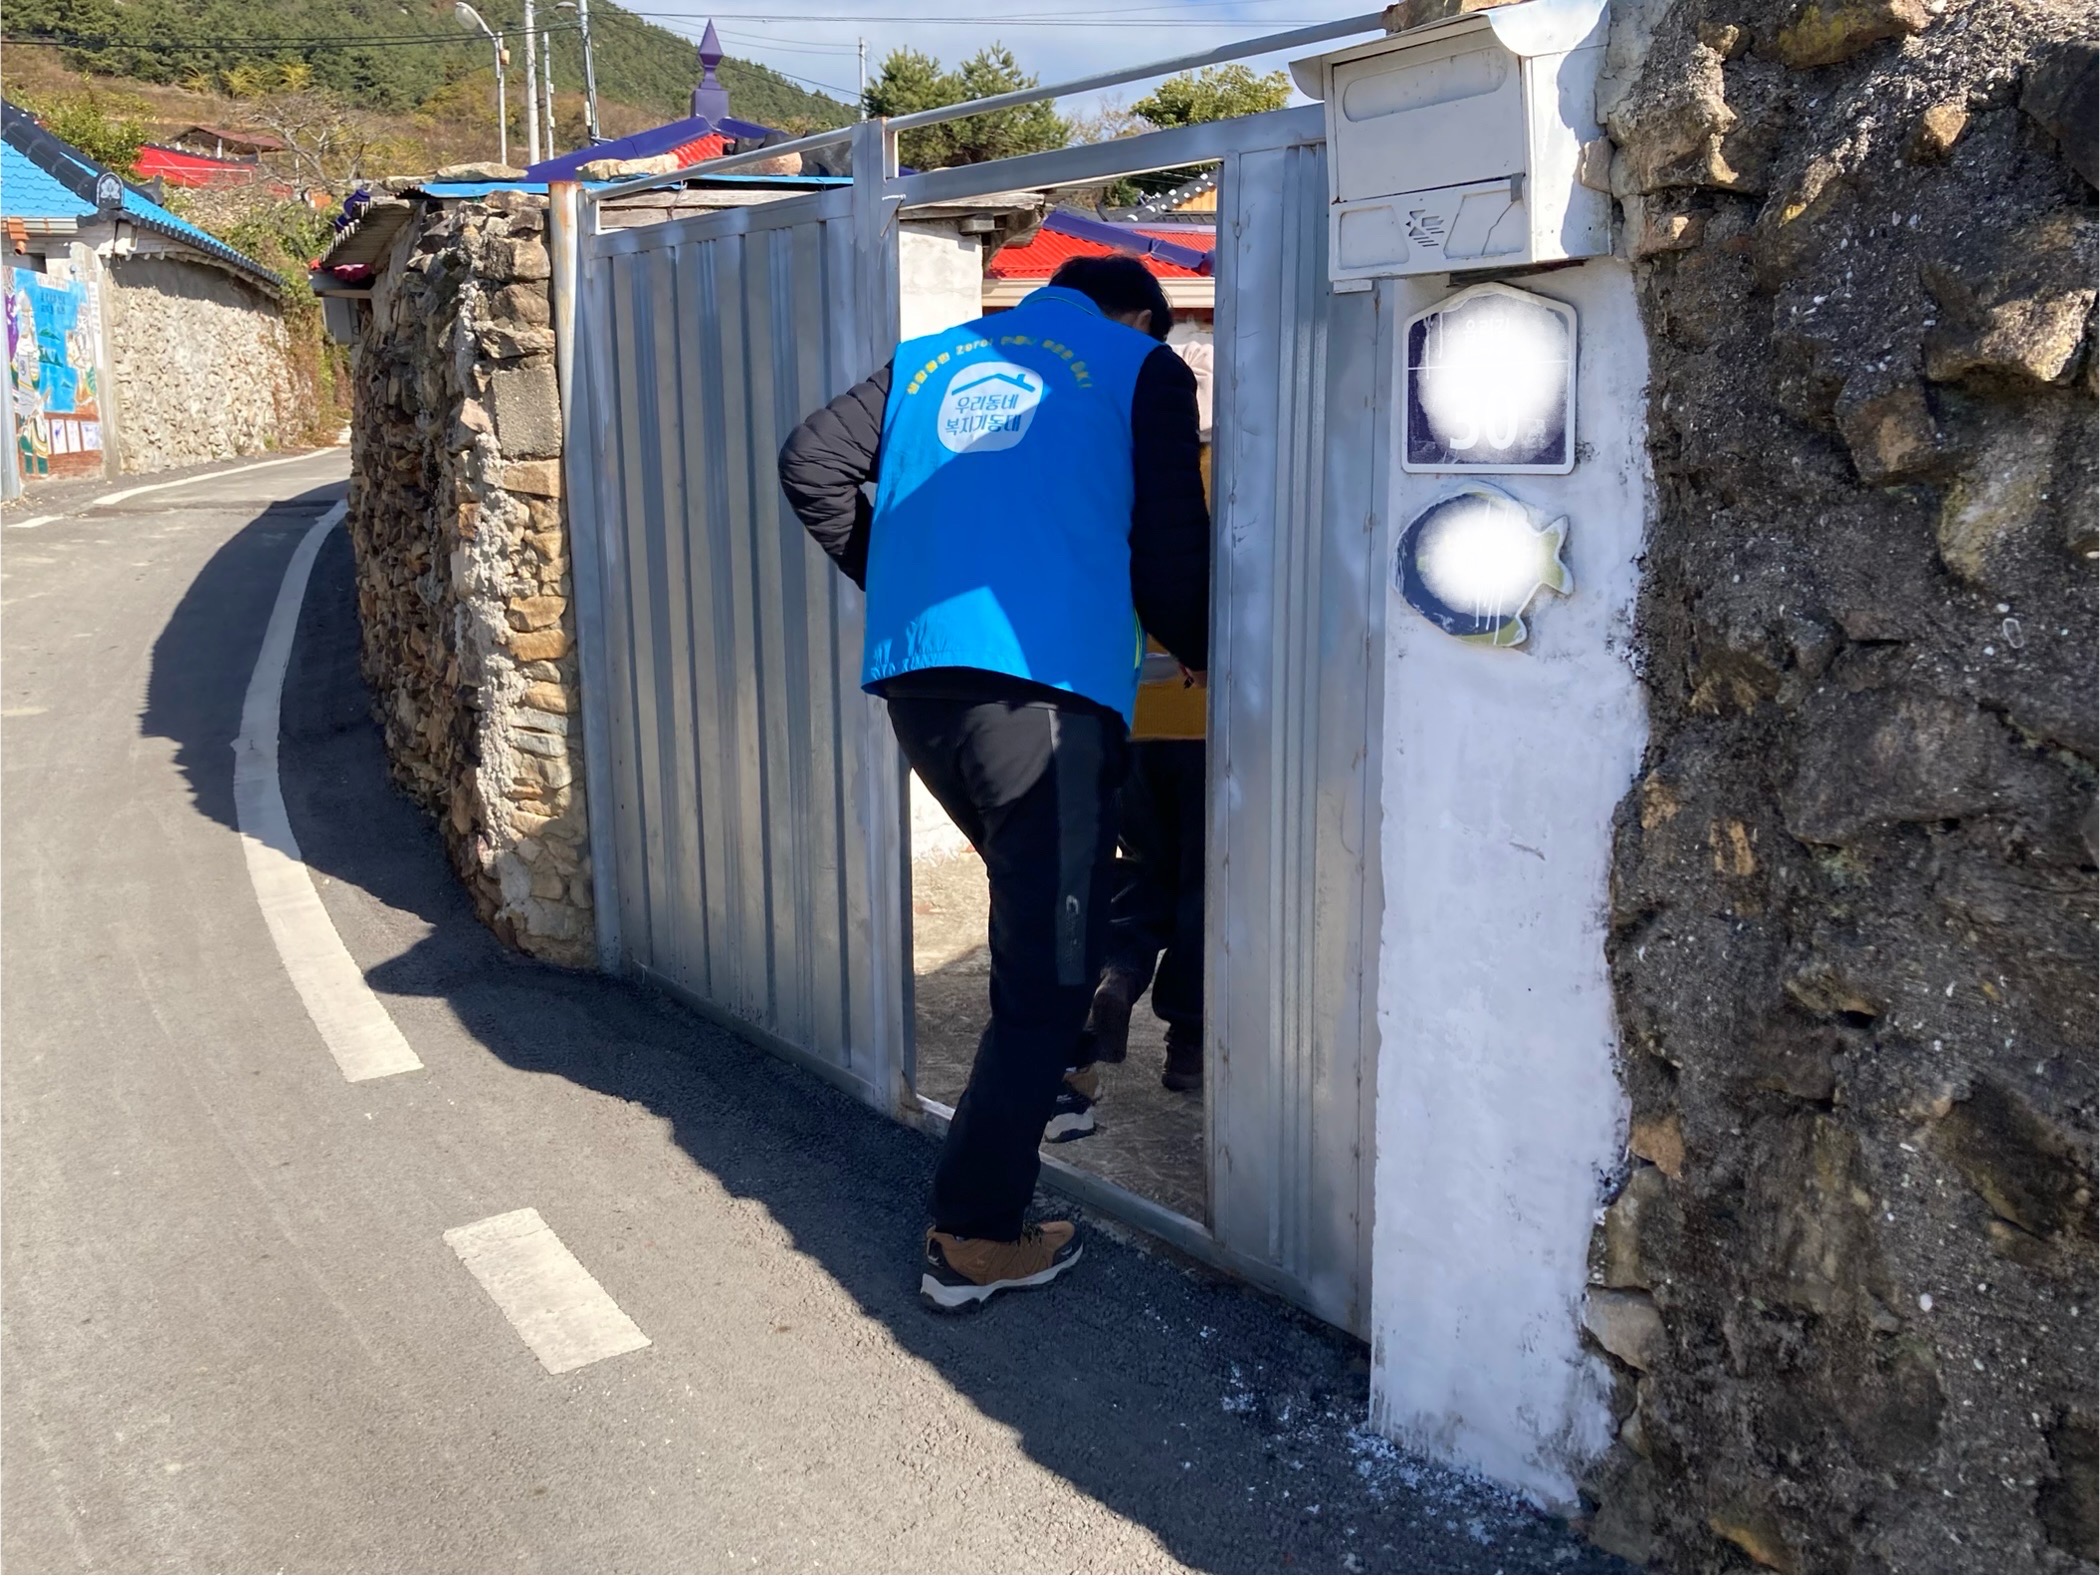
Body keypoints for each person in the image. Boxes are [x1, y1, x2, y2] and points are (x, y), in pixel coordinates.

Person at [778, 255, 1211, 1310]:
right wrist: (1209, 652)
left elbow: (811, 463)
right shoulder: (1140, 367)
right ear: (1138, 313)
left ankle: (1051, 1086)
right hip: (1043, 700)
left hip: (922, 687)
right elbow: (1170, 547)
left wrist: (899, 584)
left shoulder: (928, 362)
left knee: (1054, 914)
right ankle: (973, 1238)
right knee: (1048, 971)